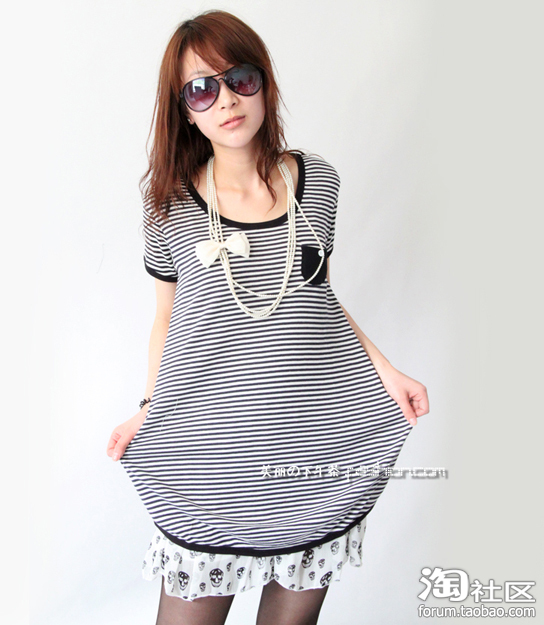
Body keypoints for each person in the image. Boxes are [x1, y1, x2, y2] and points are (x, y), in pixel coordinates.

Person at [106, 9, 429, 625]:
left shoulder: (317, 181)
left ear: (264, 83)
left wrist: (386, 371)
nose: (226, 100)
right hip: (213, 451)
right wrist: (148, 406)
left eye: (240, 79)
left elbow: (317, 294)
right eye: (201, 89)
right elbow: (166, 317)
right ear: (185, 110)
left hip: (310, 443)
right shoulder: (169, 205)